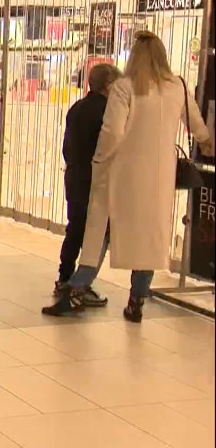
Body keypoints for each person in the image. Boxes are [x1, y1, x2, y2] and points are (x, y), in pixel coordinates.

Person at [45, 32, 213, 322]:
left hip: (123, 176)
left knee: (102, 234)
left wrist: (100, 160)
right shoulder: (178, 87)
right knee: (148, 238)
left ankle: (75, 289)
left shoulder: (125, 88)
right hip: (159, 180)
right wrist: (206, 140)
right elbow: (197, 127)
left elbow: (112, 132)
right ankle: (136, 301)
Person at [52, 63, 121, 307]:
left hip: (74, 175)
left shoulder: (77, 108)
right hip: (95, 180)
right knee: (95, 234)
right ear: (109, 84)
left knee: (76, 229)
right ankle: (79, 286)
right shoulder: (110, 112)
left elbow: (67, 146)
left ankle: (64, 278)